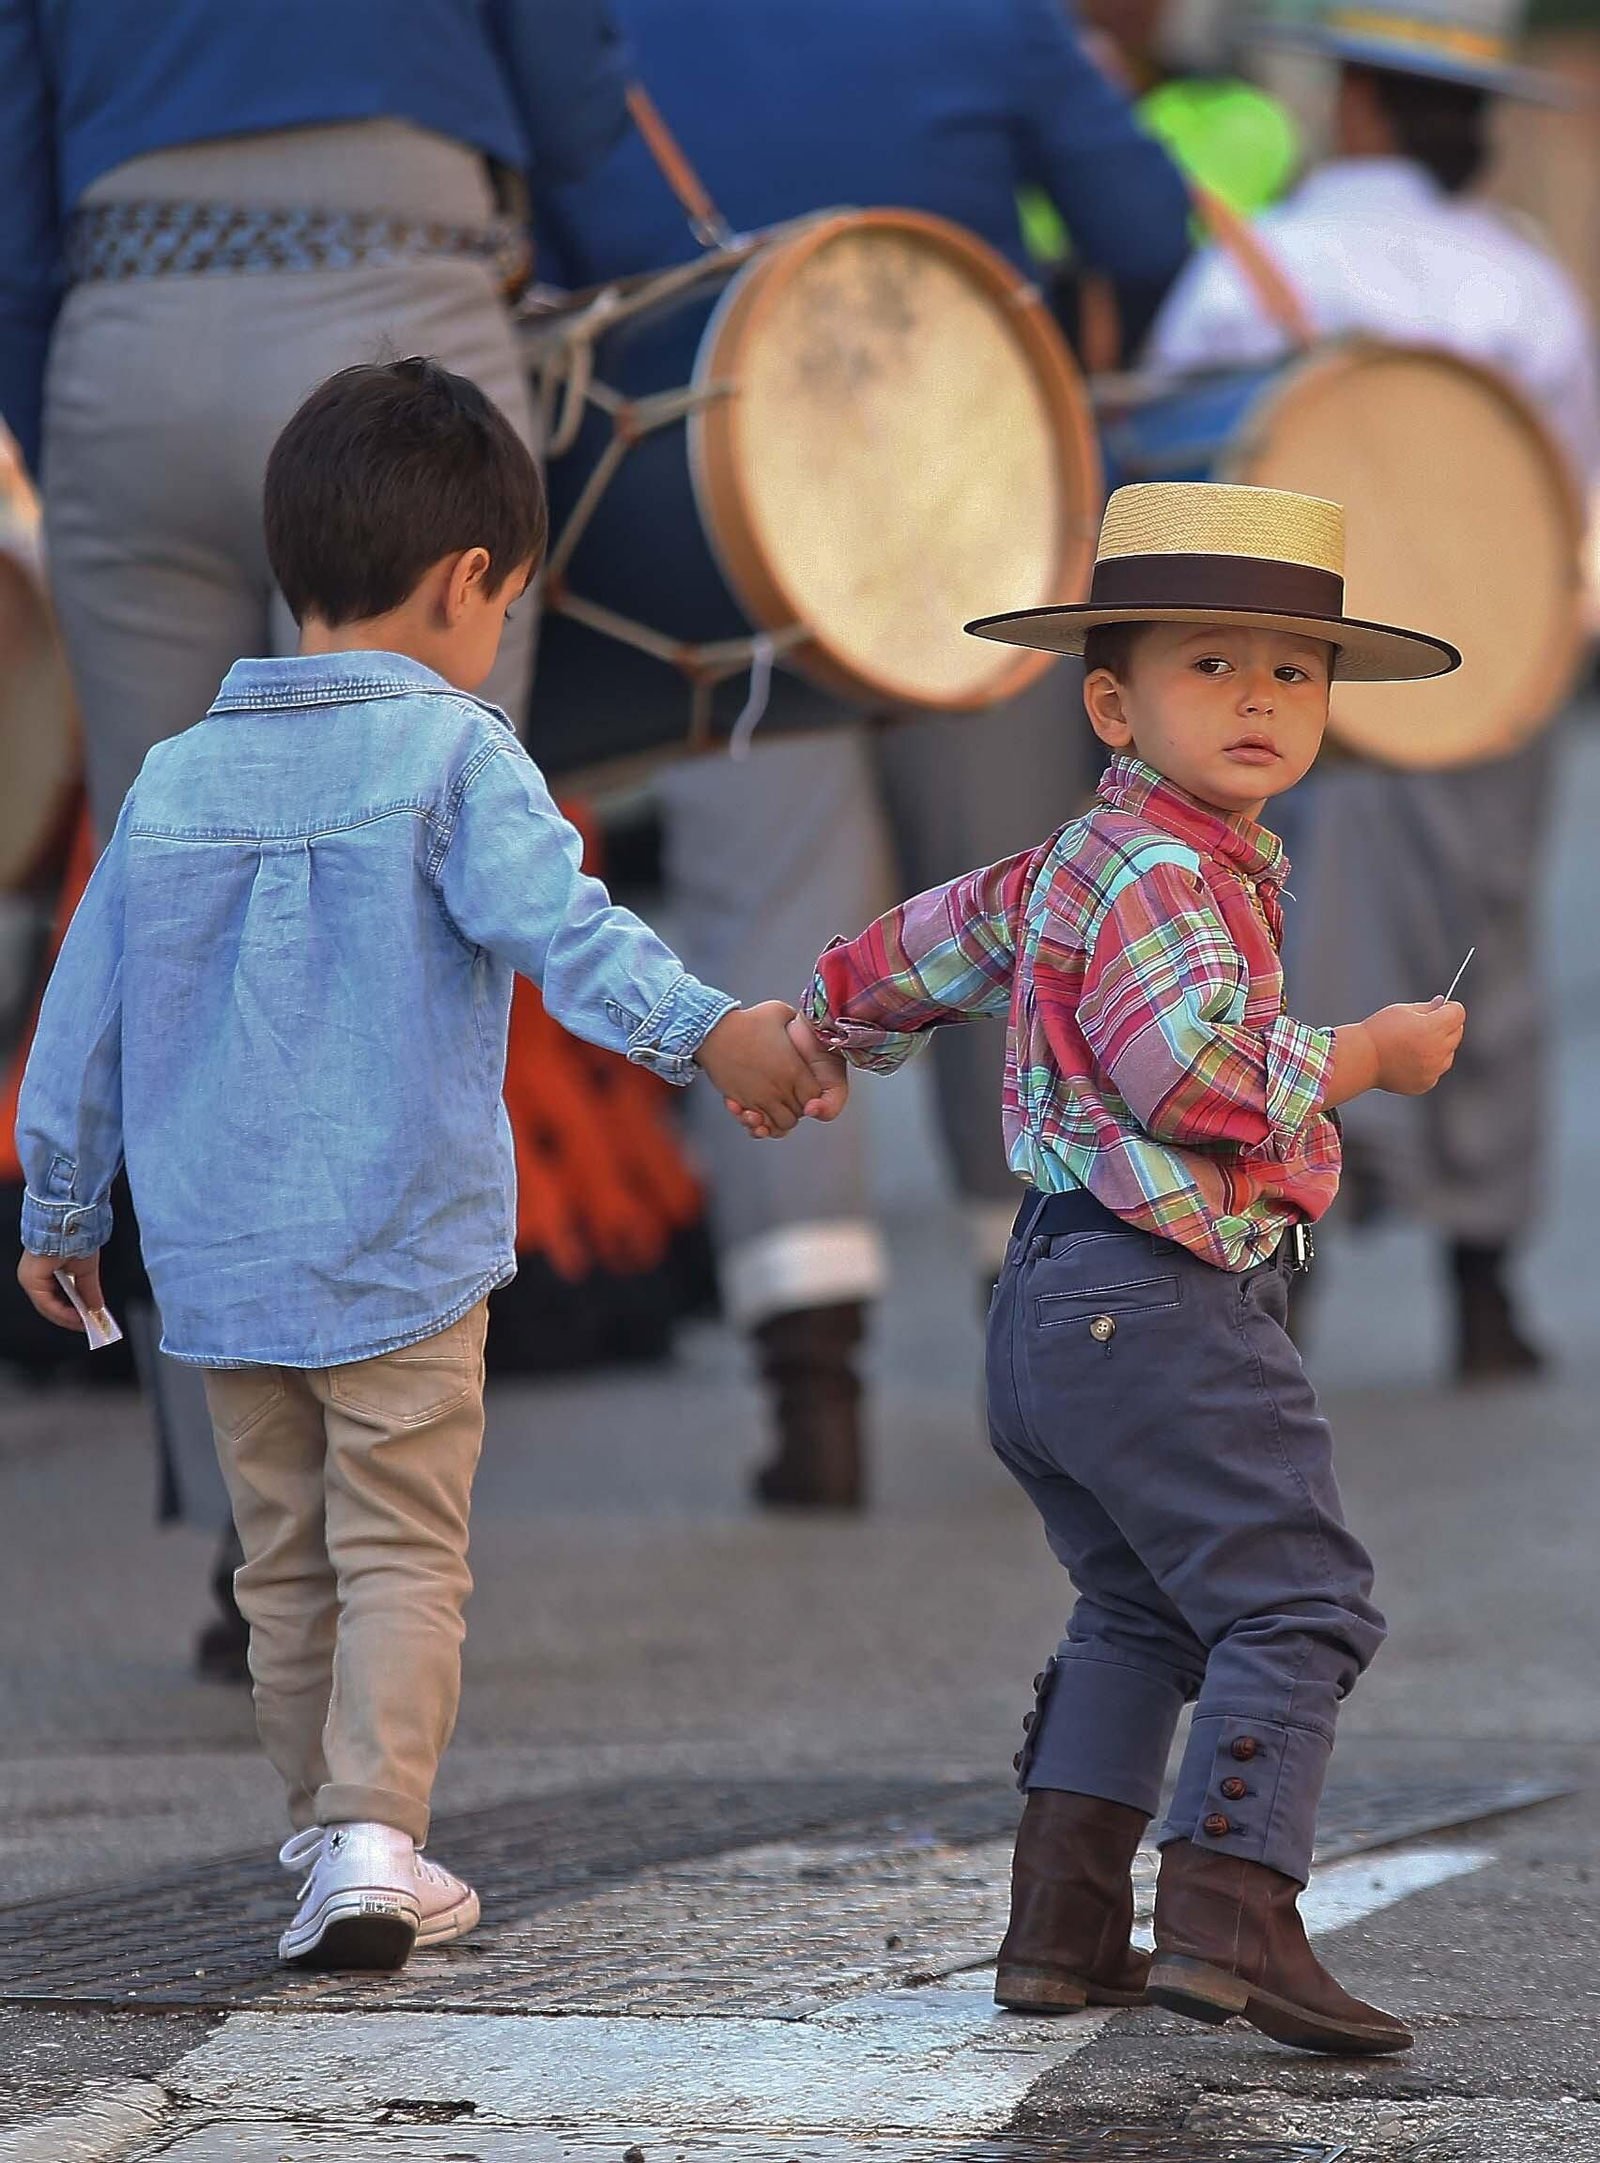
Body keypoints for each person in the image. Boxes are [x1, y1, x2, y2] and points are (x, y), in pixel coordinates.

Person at [13, 359, 839, 1970]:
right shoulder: (458, 758)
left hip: (220, 1265)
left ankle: (328, 1837)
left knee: (282, 1563)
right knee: (401, 1543)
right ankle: (382, 1838)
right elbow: (564, 931)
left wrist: (61, 1201)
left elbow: (83, 1002)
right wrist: (713, 1031)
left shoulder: (172, 776)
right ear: (473, 584)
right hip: (401, 1241)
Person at [771, 481, 1466, 2052]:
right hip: (1158, 1305)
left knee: (1142, 1606)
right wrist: (1363, 1056)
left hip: (1054, 1307)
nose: (1259, 700)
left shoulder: (1082, 859)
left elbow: (925, 944)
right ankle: (1229, 1912)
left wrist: (823, 1026)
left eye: (1294, 671)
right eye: (1212, 666)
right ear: (1114, 698)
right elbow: (1183, 1075)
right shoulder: (1169, 874)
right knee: (1298, 1600)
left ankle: (1062, 1926)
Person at [0, 0, 633, 1672]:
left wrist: (67, 421)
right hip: (397, 285)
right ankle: (388, 1510)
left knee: (169, 932)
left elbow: (10, 160)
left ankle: (247, 1533)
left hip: (123, 336)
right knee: (420, 905)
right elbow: (572, 93)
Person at [538, 0, 1194, 1511]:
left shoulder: (606, 33)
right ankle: (1050, 1350)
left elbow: (556, 276)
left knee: (767, 921)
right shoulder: (989, 14)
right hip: (978, 498)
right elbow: (1145, 224)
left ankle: (813, 1388)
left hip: (715, 524)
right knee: (1030, 922)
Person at [1146, 0, 1600, 1378]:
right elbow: (1564, 485)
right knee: (1489, 953)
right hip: (1485, 664)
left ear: (1351, 108)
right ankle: (1484, 1283)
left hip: (1301, 675)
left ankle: (1292, 1274)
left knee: (1276, 960)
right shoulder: (1518, 281)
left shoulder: (1265, 264)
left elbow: (1169, 466)